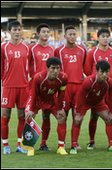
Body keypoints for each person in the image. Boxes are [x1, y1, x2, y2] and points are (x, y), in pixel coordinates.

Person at [73, 60, 112, 154]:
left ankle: (111, 144)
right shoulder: (88, 81)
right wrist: (78, 112)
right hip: (85, 102)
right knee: (77, 120)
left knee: (110, 119)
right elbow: (80, 97)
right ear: (97, 71)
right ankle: (74, 145)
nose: (104, 74)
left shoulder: (110, 82)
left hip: (98, 102)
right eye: (102, 72)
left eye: (107, 72)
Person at [84, 28, 112, 150]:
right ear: (98, 38)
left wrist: (111, 78)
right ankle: (91, 141)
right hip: (98, 89)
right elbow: (87, 70)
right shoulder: (92, 53)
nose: (105, 38)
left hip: (111, 88)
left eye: (107, 36)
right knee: (94, 115)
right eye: (102, 36)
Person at [25, 57, 68, 156]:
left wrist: (61, 108)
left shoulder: (63, 78)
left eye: (58, 68)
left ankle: (60, 147)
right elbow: (34, 94)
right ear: (47, 68)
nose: (56, 71)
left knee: (61, 117)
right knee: (29, 117)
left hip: (51, 100)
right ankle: (30, 147)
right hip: (37, 99)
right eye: (53, 68)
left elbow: (61, 94)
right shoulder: (38, 78)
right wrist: (31, 109)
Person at [54, 25, 86, 154]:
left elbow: (85, 68)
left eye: (74, 34)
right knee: (62, 115)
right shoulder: (58, 51)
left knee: (77, 116)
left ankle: (74, 143)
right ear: (65, 36)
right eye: (70, 34)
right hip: (64, 88)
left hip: (79, 87)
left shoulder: (82, 50)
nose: (72, 36)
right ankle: (61, 143)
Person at [1, 20, 29, 154]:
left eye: (19, 30)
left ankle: (20, 144)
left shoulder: (26, 47)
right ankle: (5, 145)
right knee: (5, 115)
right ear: (9, 32)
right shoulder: (3, 47)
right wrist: (4, 81)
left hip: (23, 86)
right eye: (14, 30)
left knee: (22, 115)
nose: (17, 32)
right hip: (8, 86)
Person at [28, 23, 55, 151]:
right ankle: (28, 143)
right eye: (43, 31)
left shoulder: (52, 50)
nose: (46, 34)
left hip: (48, 89)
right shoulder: (31, 49)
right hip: (34, 87)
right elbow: (25, 64)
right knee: (30, 115)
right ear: (38, 33)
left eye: (47, 32)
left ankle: (43, 143)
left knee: (46, 116)